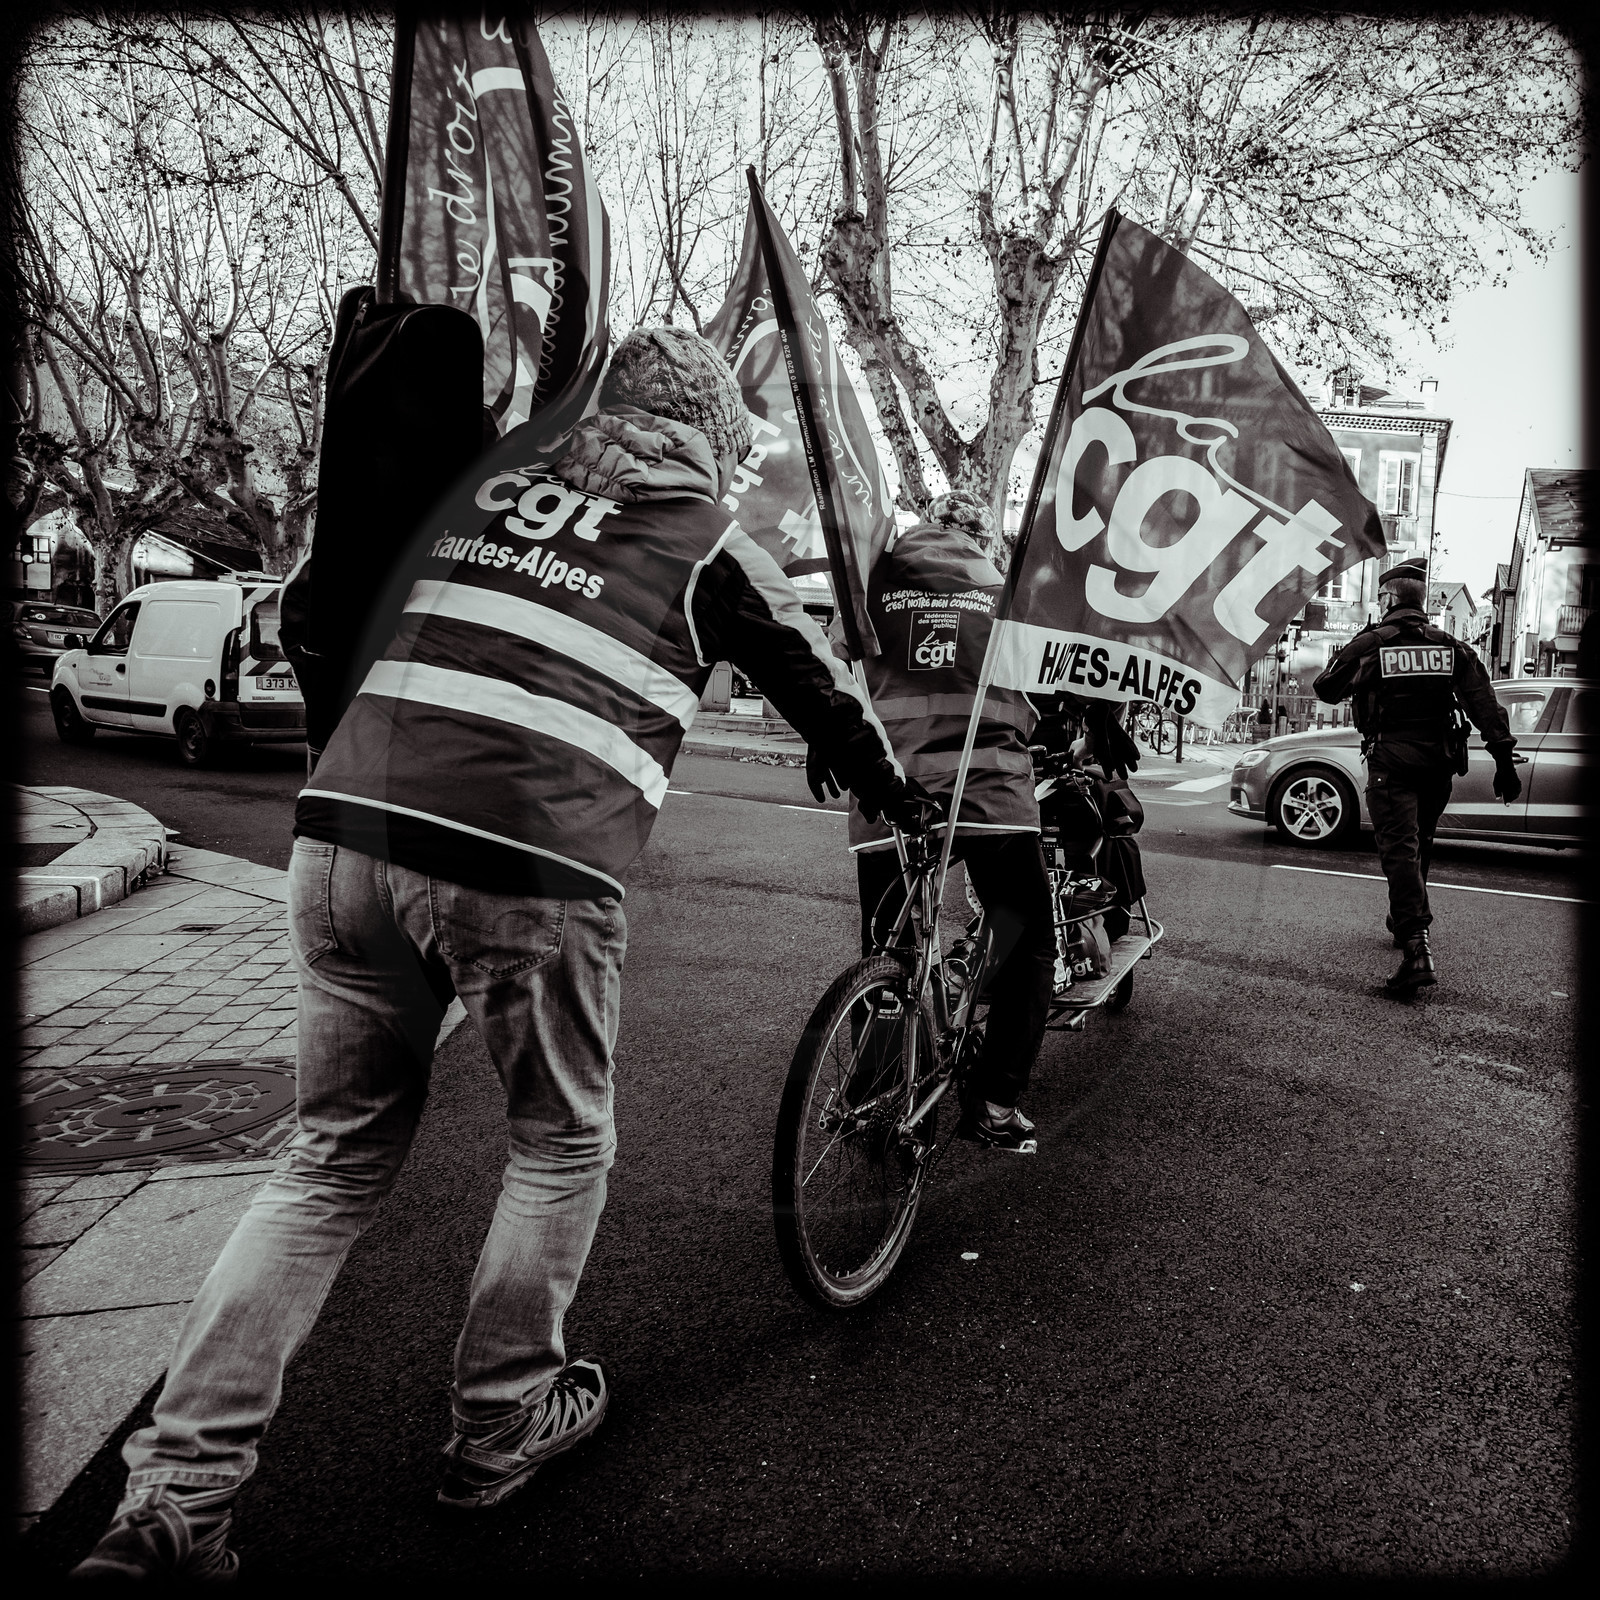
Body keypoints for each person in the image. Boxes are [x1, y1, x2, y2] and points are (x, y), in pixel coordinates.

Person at [71, 328, 919, 1579]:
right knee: (560, 1139)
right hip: (526, 864)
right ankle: (503, 1410)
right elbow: (819, 693)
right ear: (713, 443)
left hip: (342, 839)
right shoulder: (701, 544)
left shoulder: (482, 502)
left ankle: (175, 1497)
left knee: (326, 1164)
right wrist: (891, 791)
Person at [812, 489, 1054, 1154]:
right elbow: (1049, 679)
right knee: (1026, 926)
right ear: (983, 538)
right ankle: (996, 1104)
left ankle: (872, 1092)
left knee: (888, 947)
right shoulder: (1008, 588)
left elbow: (831, 671)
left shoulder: (873, 578)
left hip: (888, 786)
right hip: (989, 791)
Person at [1312, 557, 1518, 994]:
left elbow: (1326, 688)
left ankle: (1416, 947)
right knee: (1419, 841)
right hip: (1439, 763)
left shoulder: (1373, 644)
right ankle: (1401, 918)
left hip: (1392, 762)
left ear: (1388, 598)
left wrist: (1360, 655)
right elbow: (1484, 704)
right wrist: (1503, 760)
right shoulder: (1451, 647)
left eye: (1382, 595)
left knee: (1399, 849)